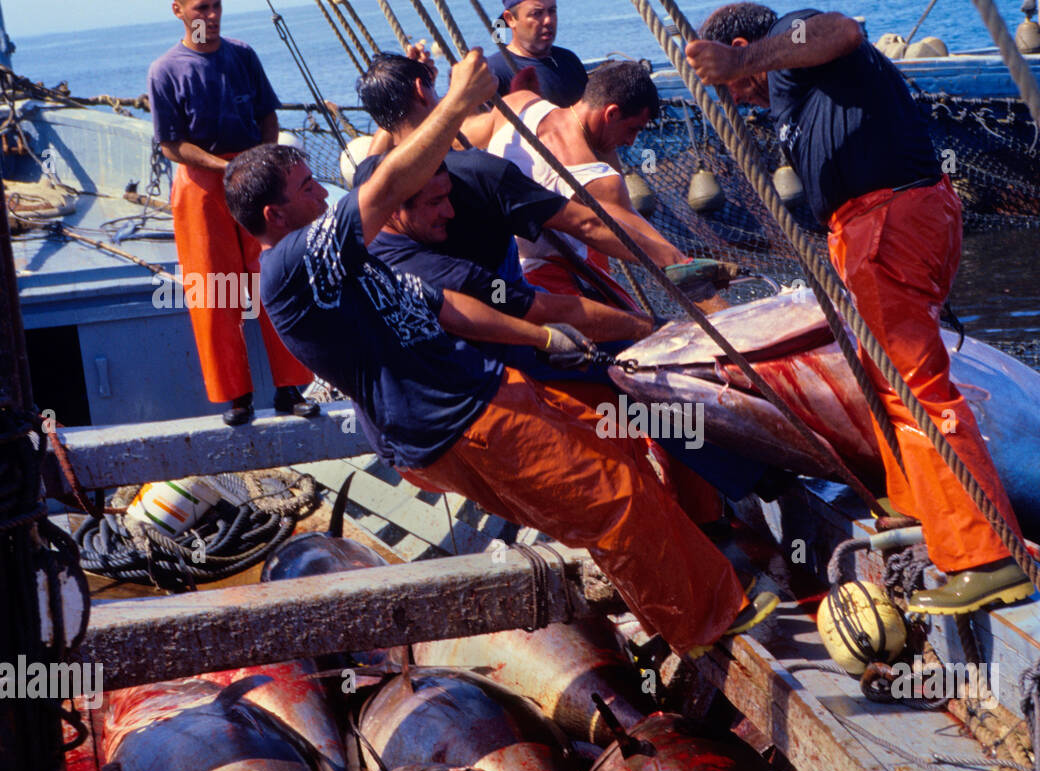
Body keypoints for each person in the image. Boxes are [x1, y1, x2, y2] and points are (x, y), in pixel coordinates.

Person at [224, 50, 775, 656]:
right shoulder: (295, 262)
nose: (323, 197)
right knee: (612, 497)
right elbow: (383, 184)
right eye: (308, 189)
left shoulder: (347, 263)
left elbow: (443, 306)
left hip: (484, 390)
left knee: (611, 439)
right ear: (276, 214)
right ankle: (708, 619)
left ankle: (674, 577)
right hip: (461, 418)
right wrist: (456, 101)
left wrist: (540, 340)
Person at [687, 5, 1033, 614]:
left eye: (730, 87)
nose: (735, 101)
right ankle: (919, 511)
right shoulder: (795, 90)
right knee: (884, 380)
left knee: (915, 388)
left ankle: (987, 557)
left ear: (744, 46)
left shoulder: (793, 49)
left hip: (888, 220)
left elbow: (841, 29)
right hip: (873, 225)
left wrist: (744, 62)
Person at [147, 0, 318, 425]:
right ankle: (236, 397)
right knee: (214, 291)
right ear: (179, 11)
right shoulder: (164, 70)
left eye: (217, 5)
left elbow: (267, 116)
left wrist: (258, 164)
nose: (212, 15)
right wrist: (227, 168)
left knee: (276, 275)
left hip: (254, 175)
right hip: (202, 188)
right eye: (202, 7)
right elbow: (172, 145)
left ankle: (290, 389)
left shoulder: (243, 55)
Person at [469, 60, 730, 311]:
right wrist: (727, 315)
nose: (631, 141)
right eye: (632, 129)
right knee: (643, 332)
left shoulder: (518, 102)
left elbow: (461, 137)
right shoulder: (594, 178)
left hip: (490, 272)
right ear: (612, 112)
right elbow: (664, 256)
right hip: (544, 278)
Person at [487, 0, 588, 107]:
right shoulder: (494, 73)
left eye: (552, 11)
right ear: (510, 19)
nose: (548, 20)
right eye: (537, 14)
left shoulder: (569, 60)